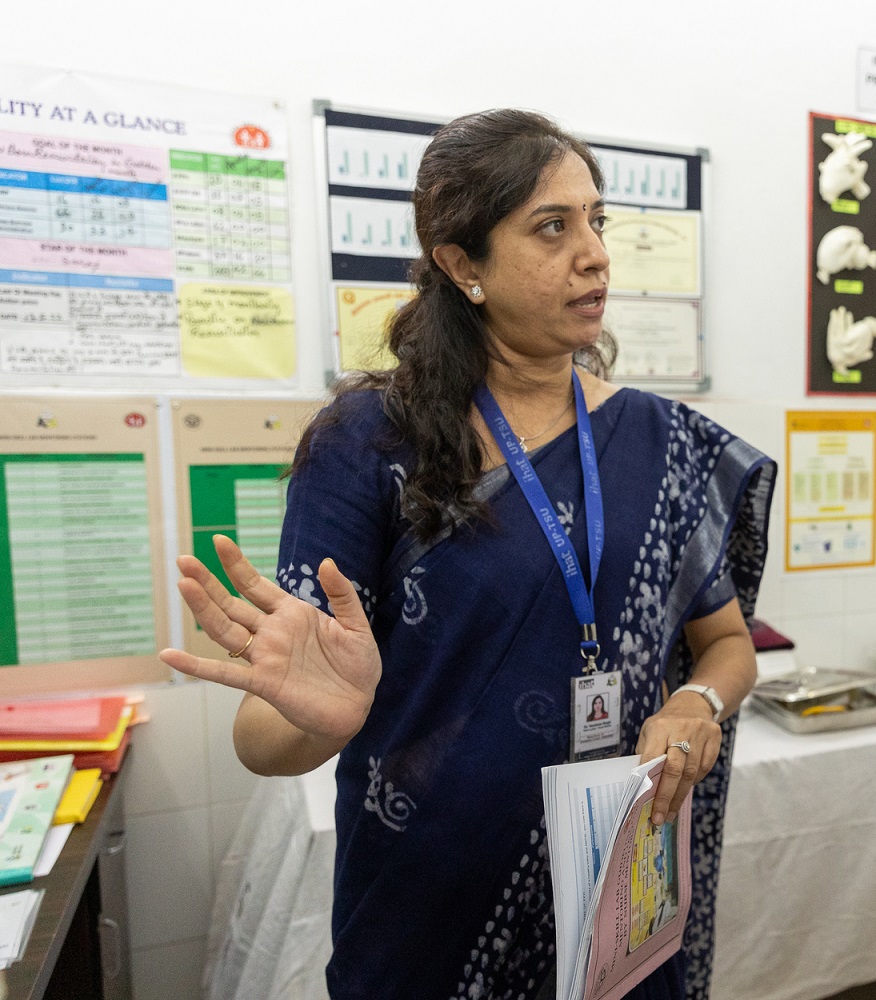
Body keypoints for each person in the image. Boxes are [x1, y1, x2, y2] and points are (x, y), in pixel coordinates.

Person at [160, 109, 775, 1000]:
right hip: (429, 911)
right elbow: (264, 737)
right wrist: (322, 720)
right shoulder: (369, 441)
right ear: (461, 265)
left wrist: (695, 699)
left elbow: (729, 646)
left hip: (618, 893)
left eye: (596, 220)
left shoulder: (660, 441)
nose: (595, 254)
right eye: (552, 227)